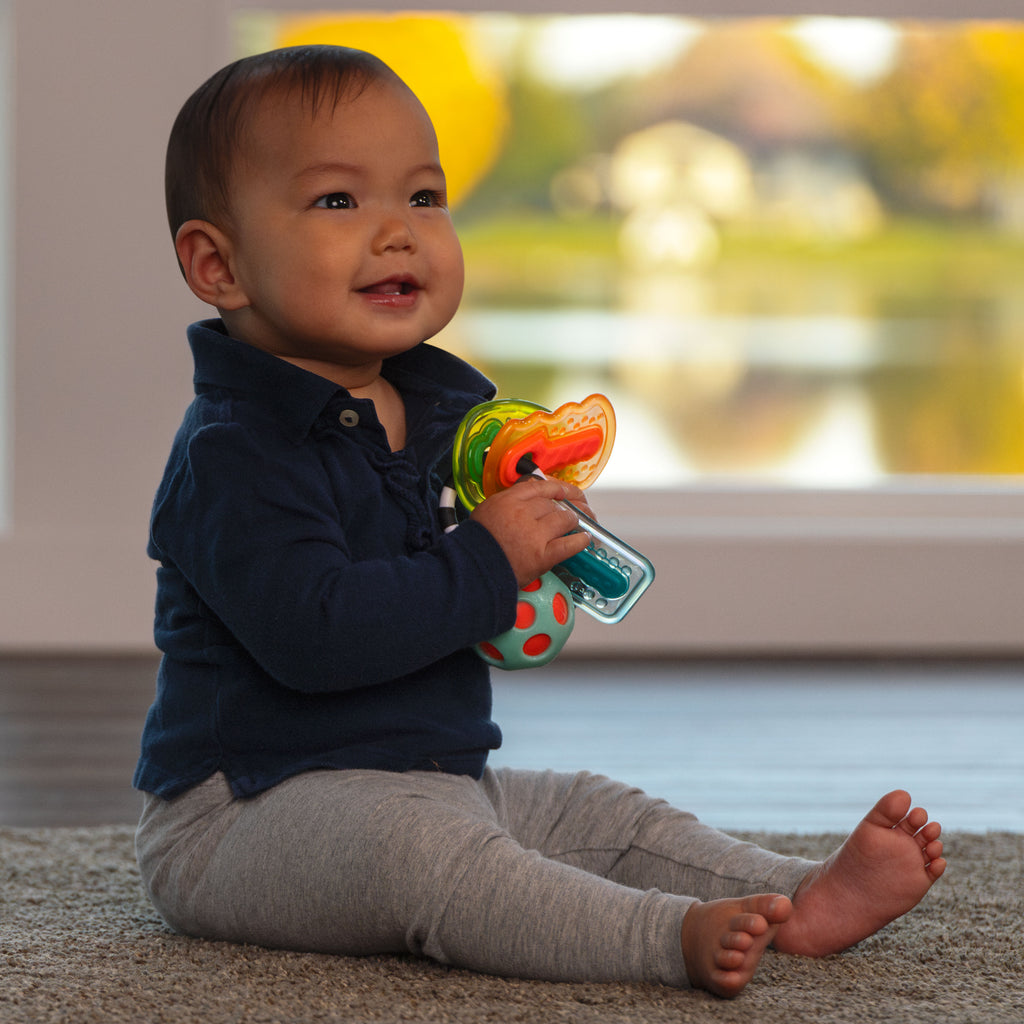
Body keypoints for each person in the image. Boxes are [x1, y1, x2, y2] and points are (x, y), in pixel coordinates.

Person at [133, 45, 946, 999]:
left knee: (597, 811)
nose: (398, 232)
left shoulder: (436, 417)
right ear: (217, 264)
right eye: (339, 202)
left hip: (432, 773)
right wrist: (484, 558)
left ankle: (798, 896)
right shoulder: (236, 454)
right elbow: (317, 636)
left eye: (425, 198)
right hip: (247, 810)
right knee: (429, 860)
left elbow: (447, 604)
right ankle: (665, 938)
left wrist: (526, 565)